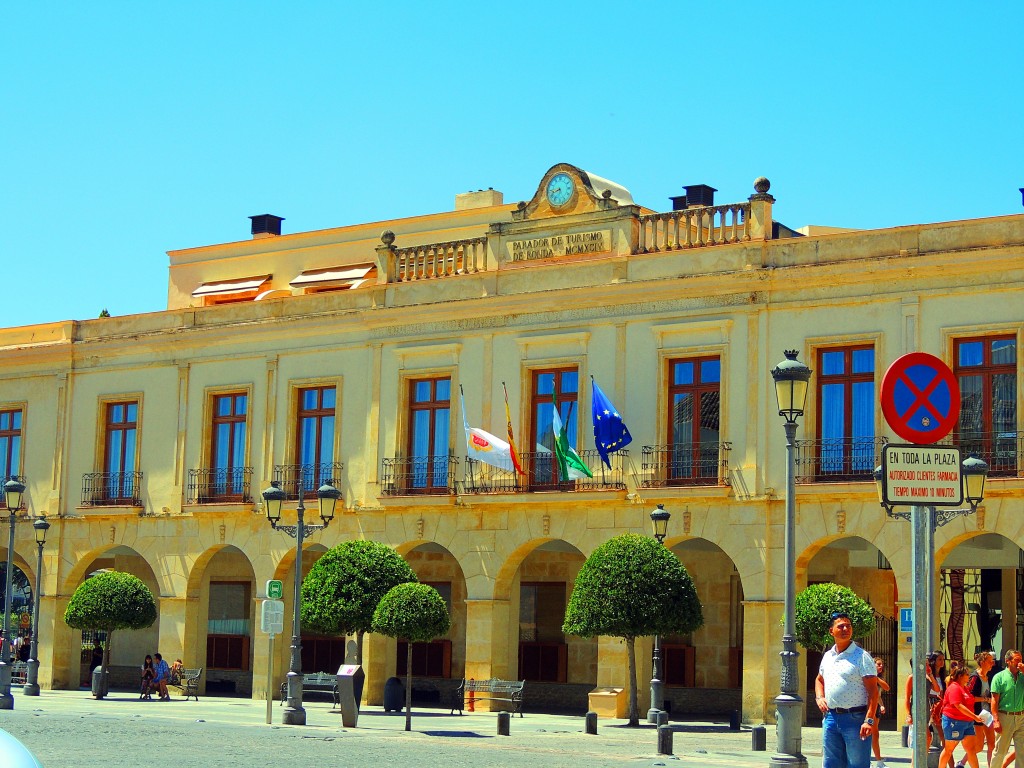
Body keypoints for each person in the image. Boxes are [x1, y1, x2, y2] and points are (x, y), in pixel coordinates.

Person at [814, 611, 880, 768]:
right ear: (832, 631)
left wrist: (869, 721)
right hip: (831, 718)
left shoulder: (861, 656)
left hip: (855, 719)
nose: (845, 629)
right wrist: (819, 697)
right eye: (841, 626)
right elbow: (819, 679)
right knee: (831, 763)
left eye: (848, 626)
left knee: (857, 764)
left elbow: (873, 691)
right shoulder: (828, 656)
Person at [939, 660, 985, 768]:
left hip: (967, 722)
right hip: (953, 722)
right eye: (967, 674)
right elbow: (958, 705)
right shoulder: (954, 687)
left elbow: (970, 700)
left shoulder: (964, 688)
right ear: (960, 676)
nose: (969, 676)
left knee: (971, 750)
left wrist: (984, 699)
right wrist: (975, 717)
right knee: (949, 749)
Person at [961, 650, 996, 768]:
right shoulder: (974, 677)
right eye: (990, 662)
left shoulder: (988, 677)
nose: (992, 664)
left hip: (987, 715)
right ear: (982, 662)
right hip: (977, 716)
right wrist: (985, 699)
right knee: (979, 747)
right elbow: (968, 697)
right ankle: (962, 762)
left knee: (992, 744)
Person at [991, 649, 1024, 768]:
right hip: (1005, 717)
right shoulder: (999, 677)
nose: (1020, 662)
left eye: (1021, 660)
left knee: (1022, 752)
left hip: (1021, 717)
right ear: (1008, 661)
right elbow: (994, 700)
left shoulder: (1022, 676)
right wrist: (996, 720)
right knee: (1000, 751)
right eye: (1017, 660)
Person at [871, 656, 891, 768]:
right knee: (872, 733)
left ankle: (879, 761)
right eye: (878, 664)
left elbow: (885, 689)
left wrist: (882, 705)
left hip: (876, 707)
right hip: (869, 708)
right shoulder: (868, 677)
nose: (881, 666)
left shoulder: (877, 678)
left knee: (875, 734)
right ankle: (874, 760)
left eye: (881, 664)